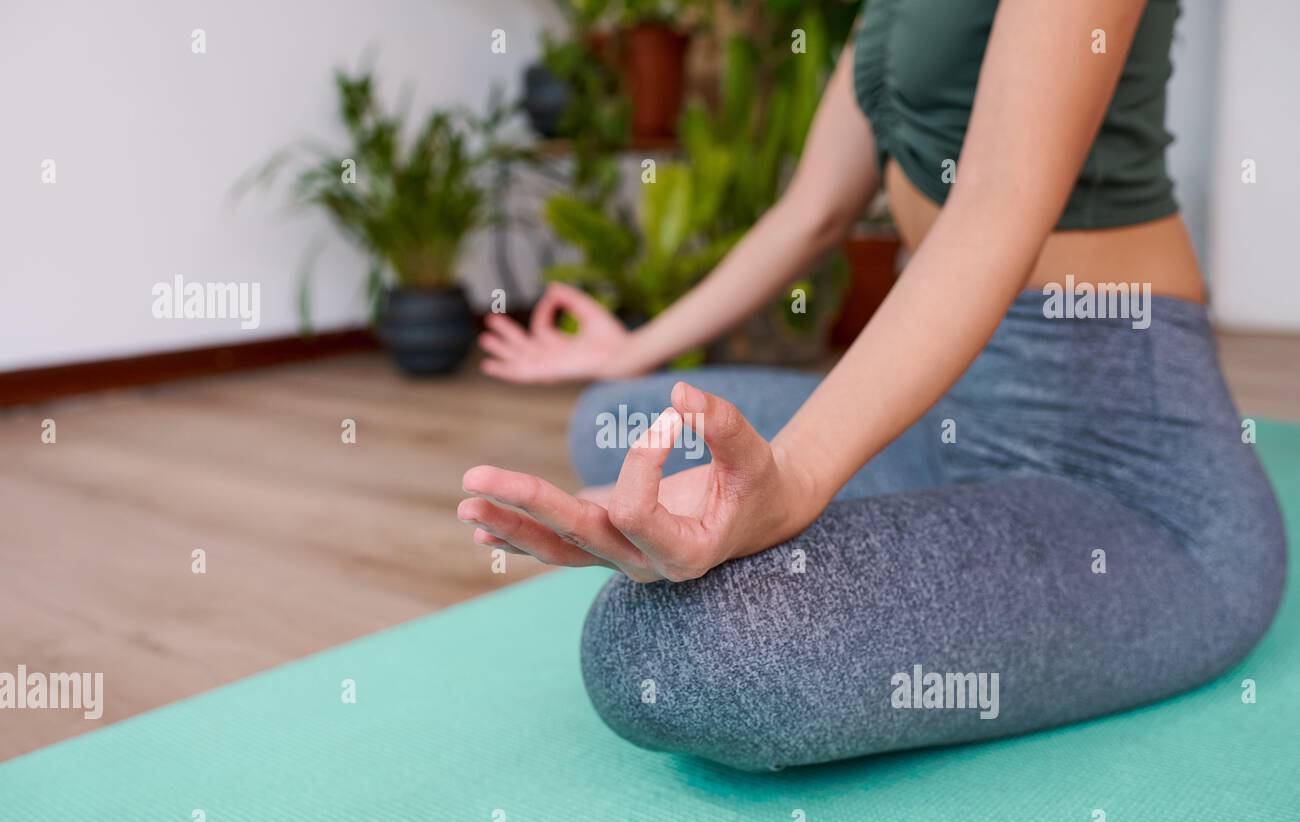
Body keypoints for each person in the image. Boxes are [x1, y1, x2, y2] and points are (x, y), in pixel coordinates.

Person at [458, 0, 1286, 771]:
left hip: (1131, 481)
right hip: (956, 410)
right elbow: (813, 211)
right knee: (620, 418)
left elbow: (995, 206)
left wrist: (799, 477)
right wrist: (631, 346)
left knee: (664, 651)